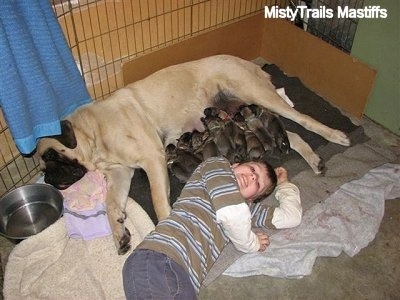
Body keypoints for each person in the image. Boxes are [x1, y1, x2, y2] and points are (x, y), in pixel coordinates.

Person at [122, 156, 302, 299]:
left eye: (258, 183)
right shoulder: (217, 167)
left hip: (186, 281)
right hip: (159, 260)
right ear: (235, 164)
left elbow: (291, 217)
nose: (252, 176)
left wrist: (284, 185)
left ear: (252, 199)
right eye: (253, 169)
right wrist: (252, 243)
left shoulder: (247, 210)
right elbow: (232, 215)